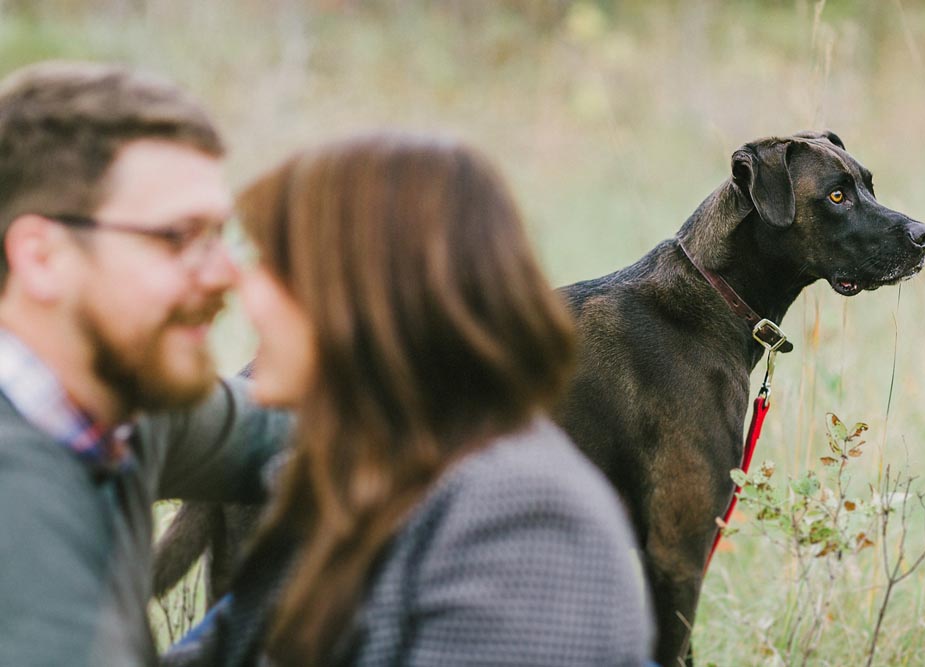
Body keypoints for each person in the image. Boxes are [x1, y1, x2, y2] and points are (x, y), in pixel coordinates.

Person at [164, 133, 654, 667]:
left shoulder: (519, 520)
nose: (242, 292)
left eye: (271, 266)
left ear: (360, 294)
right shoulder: (373, 471)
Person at [0, 61, 291, 666]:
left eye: (219, 235)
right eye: (176, 238)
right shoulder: (20, 538)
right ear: (41, 257)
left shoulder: (117, 410)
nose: (226, 274)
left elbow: (284, 431)